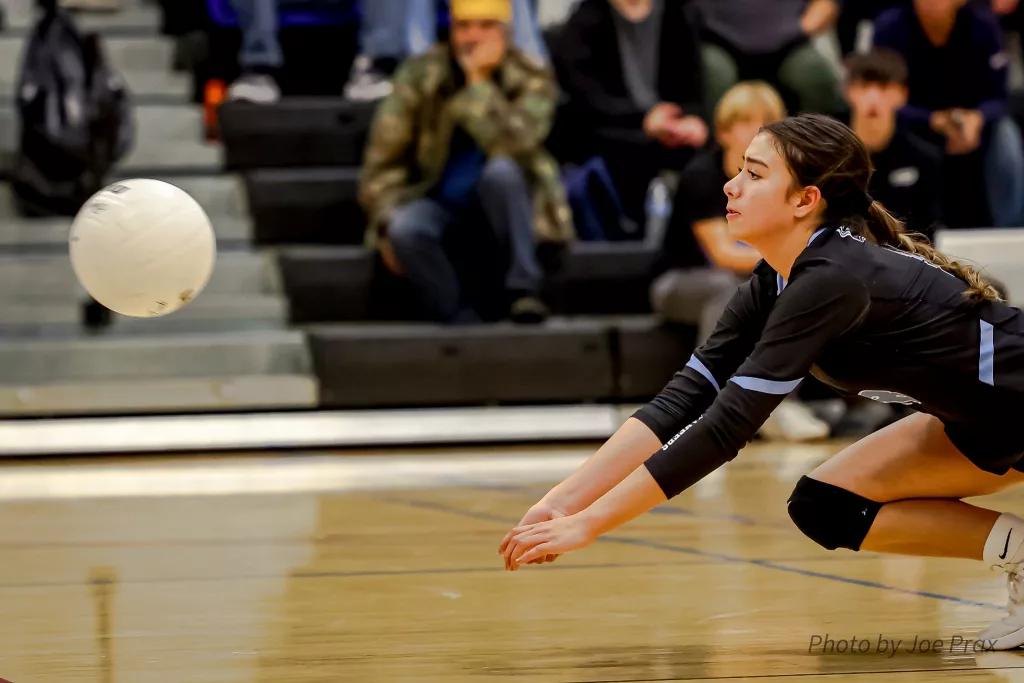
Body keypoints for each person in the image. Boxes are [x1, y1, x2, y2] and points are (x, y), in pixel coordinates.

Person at [498, 113, 1024, 650]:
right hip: (979, 426)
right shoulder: (780, 275)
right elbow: (685, 396)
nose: (731, 184)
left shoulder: (833, 279)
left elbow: (725, 428)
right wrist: (565, 501)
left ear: (805, 200)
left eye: (754, 174)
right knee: (827, 505)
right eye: (739, 170)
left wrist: (592, 524)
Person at [358, 0, 572, 325]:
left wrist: (478, 85)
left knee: (501, 173)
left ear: (506, 33)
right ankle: (458, 318)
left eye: (486, 26)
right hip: (438, 199)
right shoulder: (421, 74)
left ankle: (522, 292)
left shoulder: (532, 75)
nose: (473, 37)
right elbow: (383, 161)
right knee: (405, 228)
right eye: (464, 26)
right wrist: (385, 220)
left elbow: (515, 145)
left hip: (514, 207)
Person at [651, 81, 830, 443]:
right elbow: (724, 254)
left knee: (785, 287)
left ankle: (780, 403)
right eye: (748, 122)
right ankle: (708, 409)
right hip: (678, 282)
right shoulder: (702, 175)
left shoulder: (785, 182)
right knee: (732, 288)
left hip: (744, 276)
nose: (760, 132)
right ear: (724, 131)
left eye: (769, 123)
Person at [553, 0, 709, 229]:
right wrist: (644, 120)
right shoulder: (585, 18)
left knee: (705, 151)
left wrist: (691, 119)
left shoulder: (678, 13)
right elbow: (584, 96)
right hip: (608, 128)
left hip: (668, 125)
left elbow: (692, 83)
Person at [872, 0, 1024, 228]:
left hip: (974, 119)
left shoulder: (983, 24)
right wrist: (932, 119)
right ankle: (902, 230)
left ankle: (1010, 229)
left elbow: (1000, 96)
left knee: (1007, 139)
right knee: (882, 127)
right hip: (914, 119)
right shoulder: (890, 26)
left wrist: (977, 118)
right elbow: (882, 93)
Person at [843, 48, 943, 242]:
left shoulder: (924, 159)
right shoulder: (827, 157)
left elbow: (928, 234)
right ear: (849, 92)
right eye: (864, 87)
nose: (873, 97)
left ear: (902, 94)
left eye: (883, 87)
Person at [697, 0, 847, 118]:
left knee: (815, 75)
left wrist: (801, 29)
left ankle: (815, 150)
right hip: (719, 41)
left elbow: (827, 4)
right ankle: (710, 150)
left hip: (788, 44)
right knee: (712, 74)